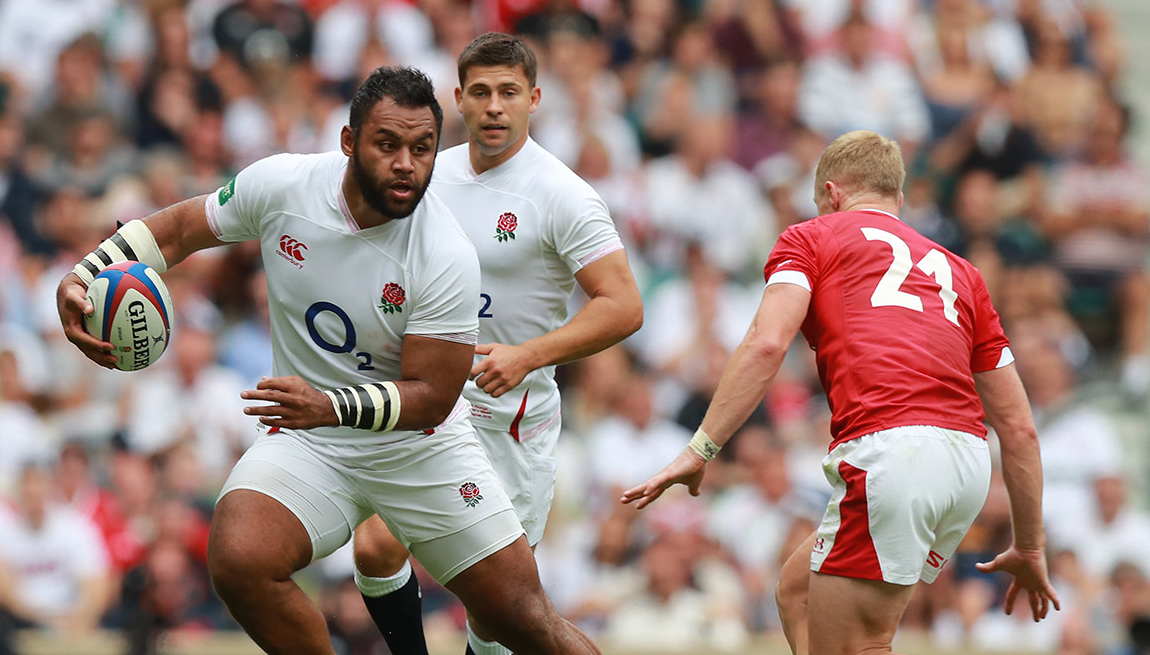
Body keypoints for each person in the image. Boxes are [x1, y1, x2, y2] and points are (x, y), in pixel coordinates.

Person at [55, 66, 600, 655]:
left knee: (526, 623)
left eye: (421, 150)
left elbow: (433, 398)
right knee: (239, 559)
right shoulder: (284, 187)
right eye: (387, 145)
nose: (405, 165)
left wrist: (327, 404)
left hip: (419, 449)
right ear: (348, 142)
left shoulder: (445, 254)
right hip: (312, 439)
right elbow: (183, 228)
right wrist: (86, 272)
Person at [621, 130, 1059, 655]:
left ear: (831, 194)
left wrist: (702, 448)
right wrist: (1030, 543)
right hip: (965, 462)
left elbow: (766, 344)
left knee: (860, 645)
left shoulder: (811, 236)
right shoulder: (963, 273)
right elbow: (1018, 425)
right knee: (796, 593)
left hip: (893, 454)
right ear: (897, 198)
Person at [350, 33, 643, 655]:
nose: (493, 106)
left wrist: (528, 354)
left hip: (510, 420)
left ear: (533, 99)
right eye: (479, 92)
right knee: (376, 545)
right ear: (458, 99)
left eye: (508, 92)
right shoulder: (431, 173)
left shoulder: (563, 195)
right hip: (433, 401)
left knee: (501, 615)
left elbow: (623, 307)